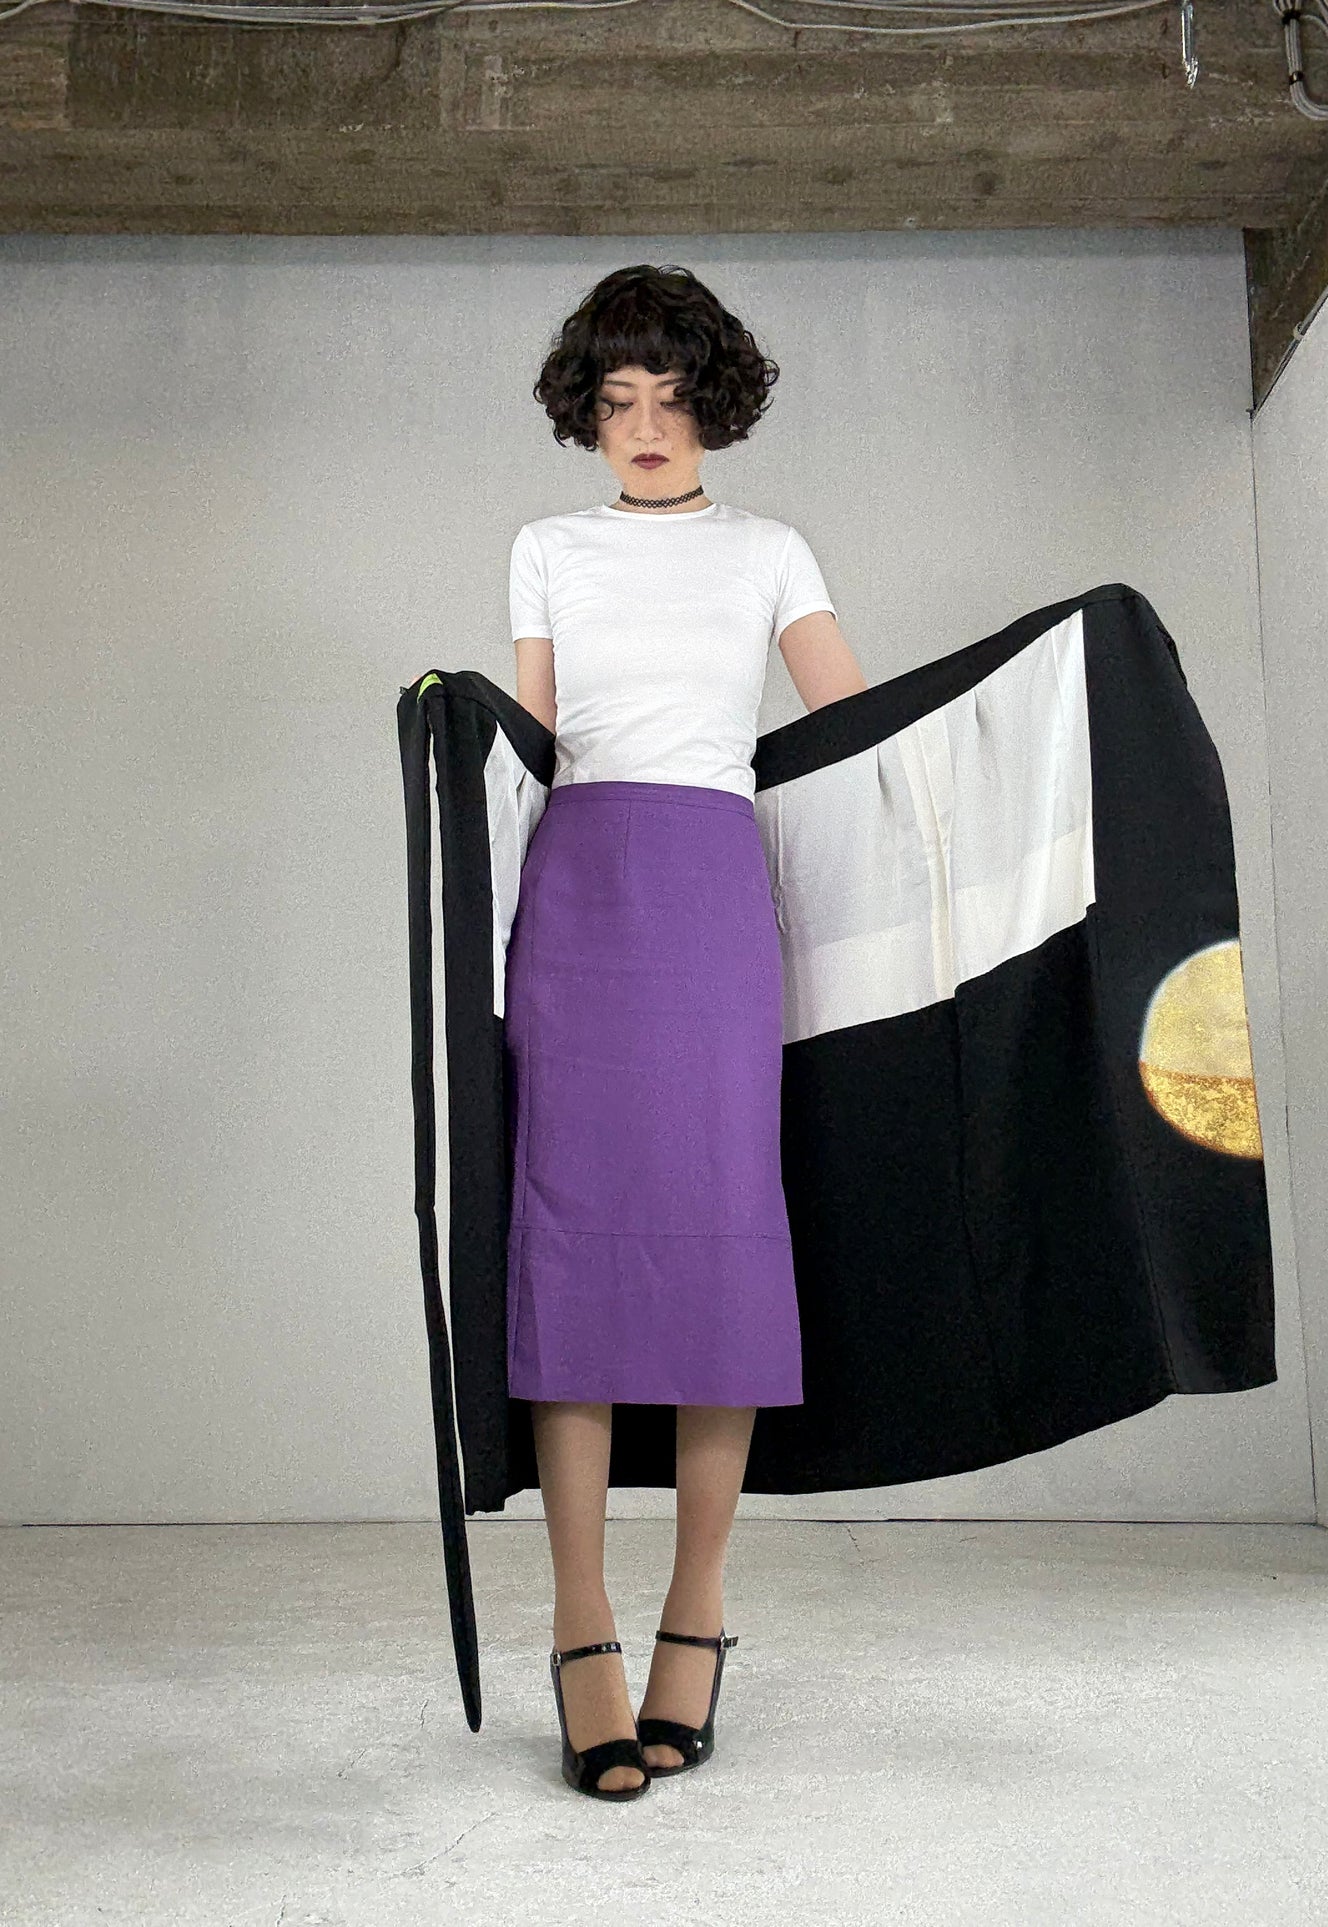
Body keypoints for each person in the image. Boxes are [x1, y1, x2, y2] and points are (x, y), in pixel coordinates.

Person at [507, 264, 869, 1799]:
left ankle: (697, 1609)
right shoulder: (546, 549)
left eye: (667, 396)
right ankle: (578, 1619)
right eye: (615, 400)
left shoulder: (770, 550)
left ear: (711, 400)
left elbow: (856, 729)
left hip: (714, 891)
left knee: (722, 1235)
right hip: (576, 892)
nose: (643, 426)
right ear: (584, 413)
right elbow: (527, 750)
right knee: (573, 1241)